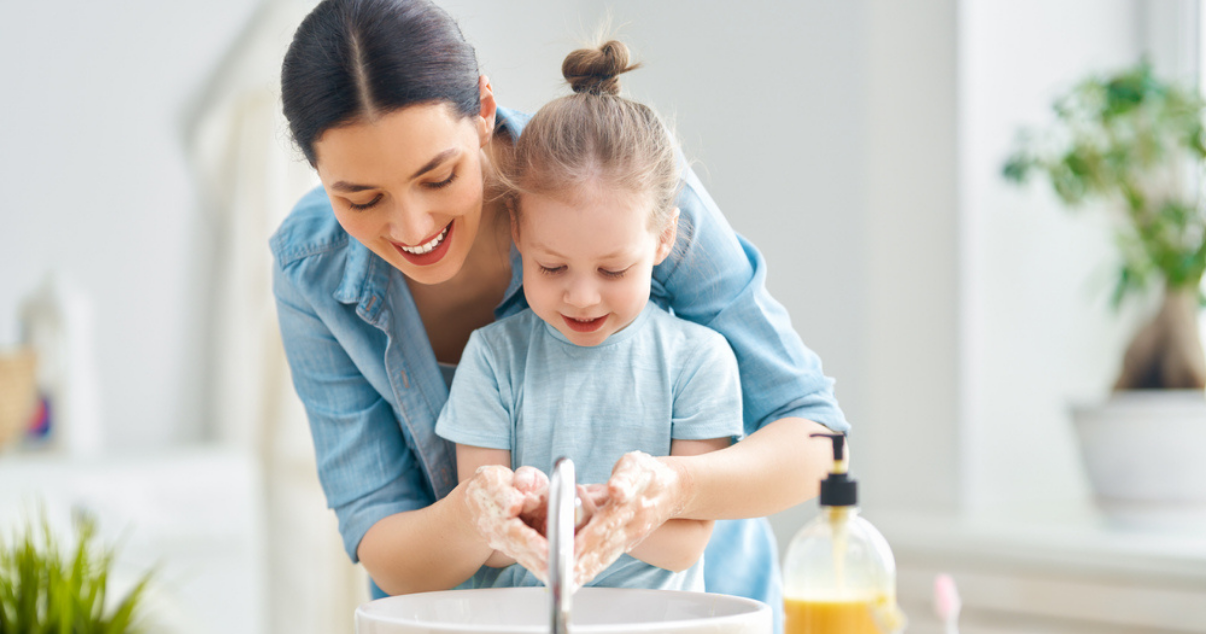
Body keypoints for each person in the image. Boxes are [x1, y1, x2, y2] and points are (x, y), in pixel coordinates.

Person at [271, 0, 848, 628]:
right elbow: (382, 541)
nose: (412, 227)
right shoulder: (312, 267)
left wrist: (674, 491)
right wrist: (473, 516)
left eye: (439, 177)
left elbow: (817, 438)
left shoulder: (625, 185)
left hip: (693, 610)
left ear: (484, 110)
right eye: (361, 198)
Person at [434, 39, 744, 592]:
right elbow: (490, 545)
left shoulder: (699, 361)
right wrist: (517, 509)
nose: (582, 298)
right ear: (518, 233)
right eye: (552, 268)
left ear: (664, 238)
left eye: (613, 271)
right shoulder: (493, 358)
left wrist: (583, 512)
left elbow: (684, 545)